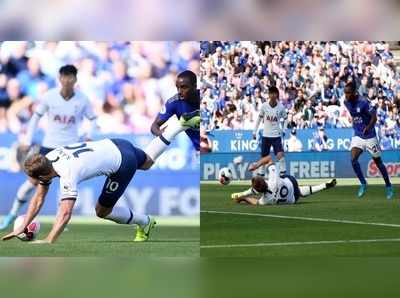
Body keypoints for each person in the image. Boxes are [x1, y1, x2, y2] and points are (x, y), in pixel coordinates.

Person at [2, 138, 156, 244]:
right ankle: (177, 125)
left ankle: (145, 222)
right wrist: (23, 227)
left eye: (34, 179)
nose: (33, 182)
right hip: (116, 142)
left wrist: (49, 239)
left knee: (102, 211)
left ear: (42, 175)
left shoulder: (67, 174)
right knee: (148, 162)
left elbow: (65, 213)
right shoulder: (48, 158)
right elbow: (38, 199)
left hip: (123, 162)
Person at [0, 64, 97, 230]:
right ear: (59, 78)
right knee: (33, 182)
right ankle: (12, 214)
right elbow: (35, 118)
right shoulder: (49, 97)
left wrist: (89, 135)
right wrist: (28, 139)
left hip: (70, 148)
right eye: (64, 76)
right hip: (49, 146)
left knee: (67, 184)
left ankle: (61, 220)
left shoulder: (83, 99)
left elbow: (93, 118)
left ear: (75, 79)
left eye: (70, 77)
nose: (67, 80)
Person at [343, 82, 393, 199]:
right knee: (353, 159)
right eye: (345, 93)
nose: (346, 95)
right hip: (358, 136)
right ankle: (363, 183)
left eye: (348, 93)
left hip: (370, 135)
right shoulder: (346, 102)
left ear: (354, 92)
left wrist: (368, 127)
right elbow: (355, 115)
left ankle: (388, 186)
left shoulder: (364, 102)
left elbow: (374, 117)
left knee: (378, 162)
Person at [231, 155, 337, 205]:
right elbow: (268, 158)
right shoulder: (273, 179)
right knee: (285, 181)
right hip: (291, 182)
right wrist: (257, 165)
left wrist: (244, 199)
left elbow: (256, 202)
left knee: (300, 192)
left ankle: (323, 186)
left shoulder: (266, 200)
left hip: (293, 200)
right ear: (263, 180)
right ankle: (324, 185)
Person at [145, 70, 200, 165]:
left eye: (184, 87)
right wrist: (161, 133)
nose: (179, 91)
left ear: (195, 86)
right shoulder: (173, 103)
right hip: (201, 149)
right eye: (177, 87)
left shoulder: (206, 96)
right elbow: (154, 126)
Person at [252, 86, 287, 177]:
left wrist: (284, 129)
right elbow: (259, 119)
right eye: (271, 93)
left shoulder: (281, 107)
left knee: (280, 155)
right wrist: (254, 131)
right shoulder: (264, 106)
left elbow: (286, 118)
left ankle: (283, 172)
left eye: (274, 94)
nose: (272, 95)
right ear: (269, 95)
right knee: (264, 156)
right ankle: (261, 173)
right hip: (266, 135)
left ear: (277, 95)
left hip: (276, 135)